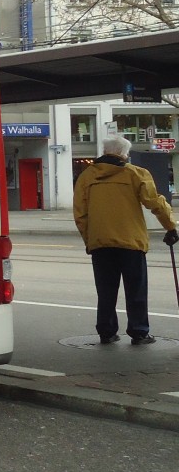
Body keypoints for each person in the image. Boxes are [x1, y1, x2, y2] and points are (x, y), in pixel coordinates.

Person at [73, 135, 179, 345]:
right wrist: (171, 227)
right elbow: (154, 202)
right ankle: (139, 332)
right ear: (124, 154)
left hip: (101, 243)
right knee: (136, 290)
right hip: (131, 242)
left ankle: (106, 331)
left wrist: (90, 239)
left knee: (105, 291)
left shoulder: (87, 177)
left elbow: (80, 214)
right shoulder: (136, 173)